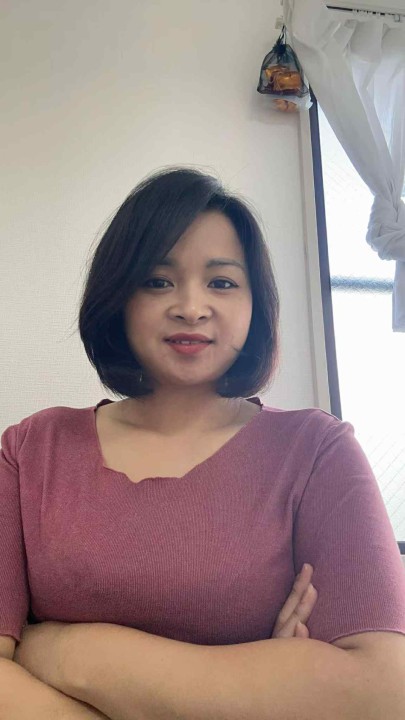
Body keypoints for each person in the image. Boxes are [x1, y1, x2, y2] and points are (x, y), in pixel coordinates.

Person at [1, 166, 405, 684]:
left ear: (255, 303)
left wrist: (68, 652)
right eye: (158, 281)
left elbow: (381, 689)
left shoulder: (317, 451)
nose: (191, 308)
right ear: (119, 297)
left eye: (222, 282)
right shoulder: (31, 450)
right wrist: (264, 682)